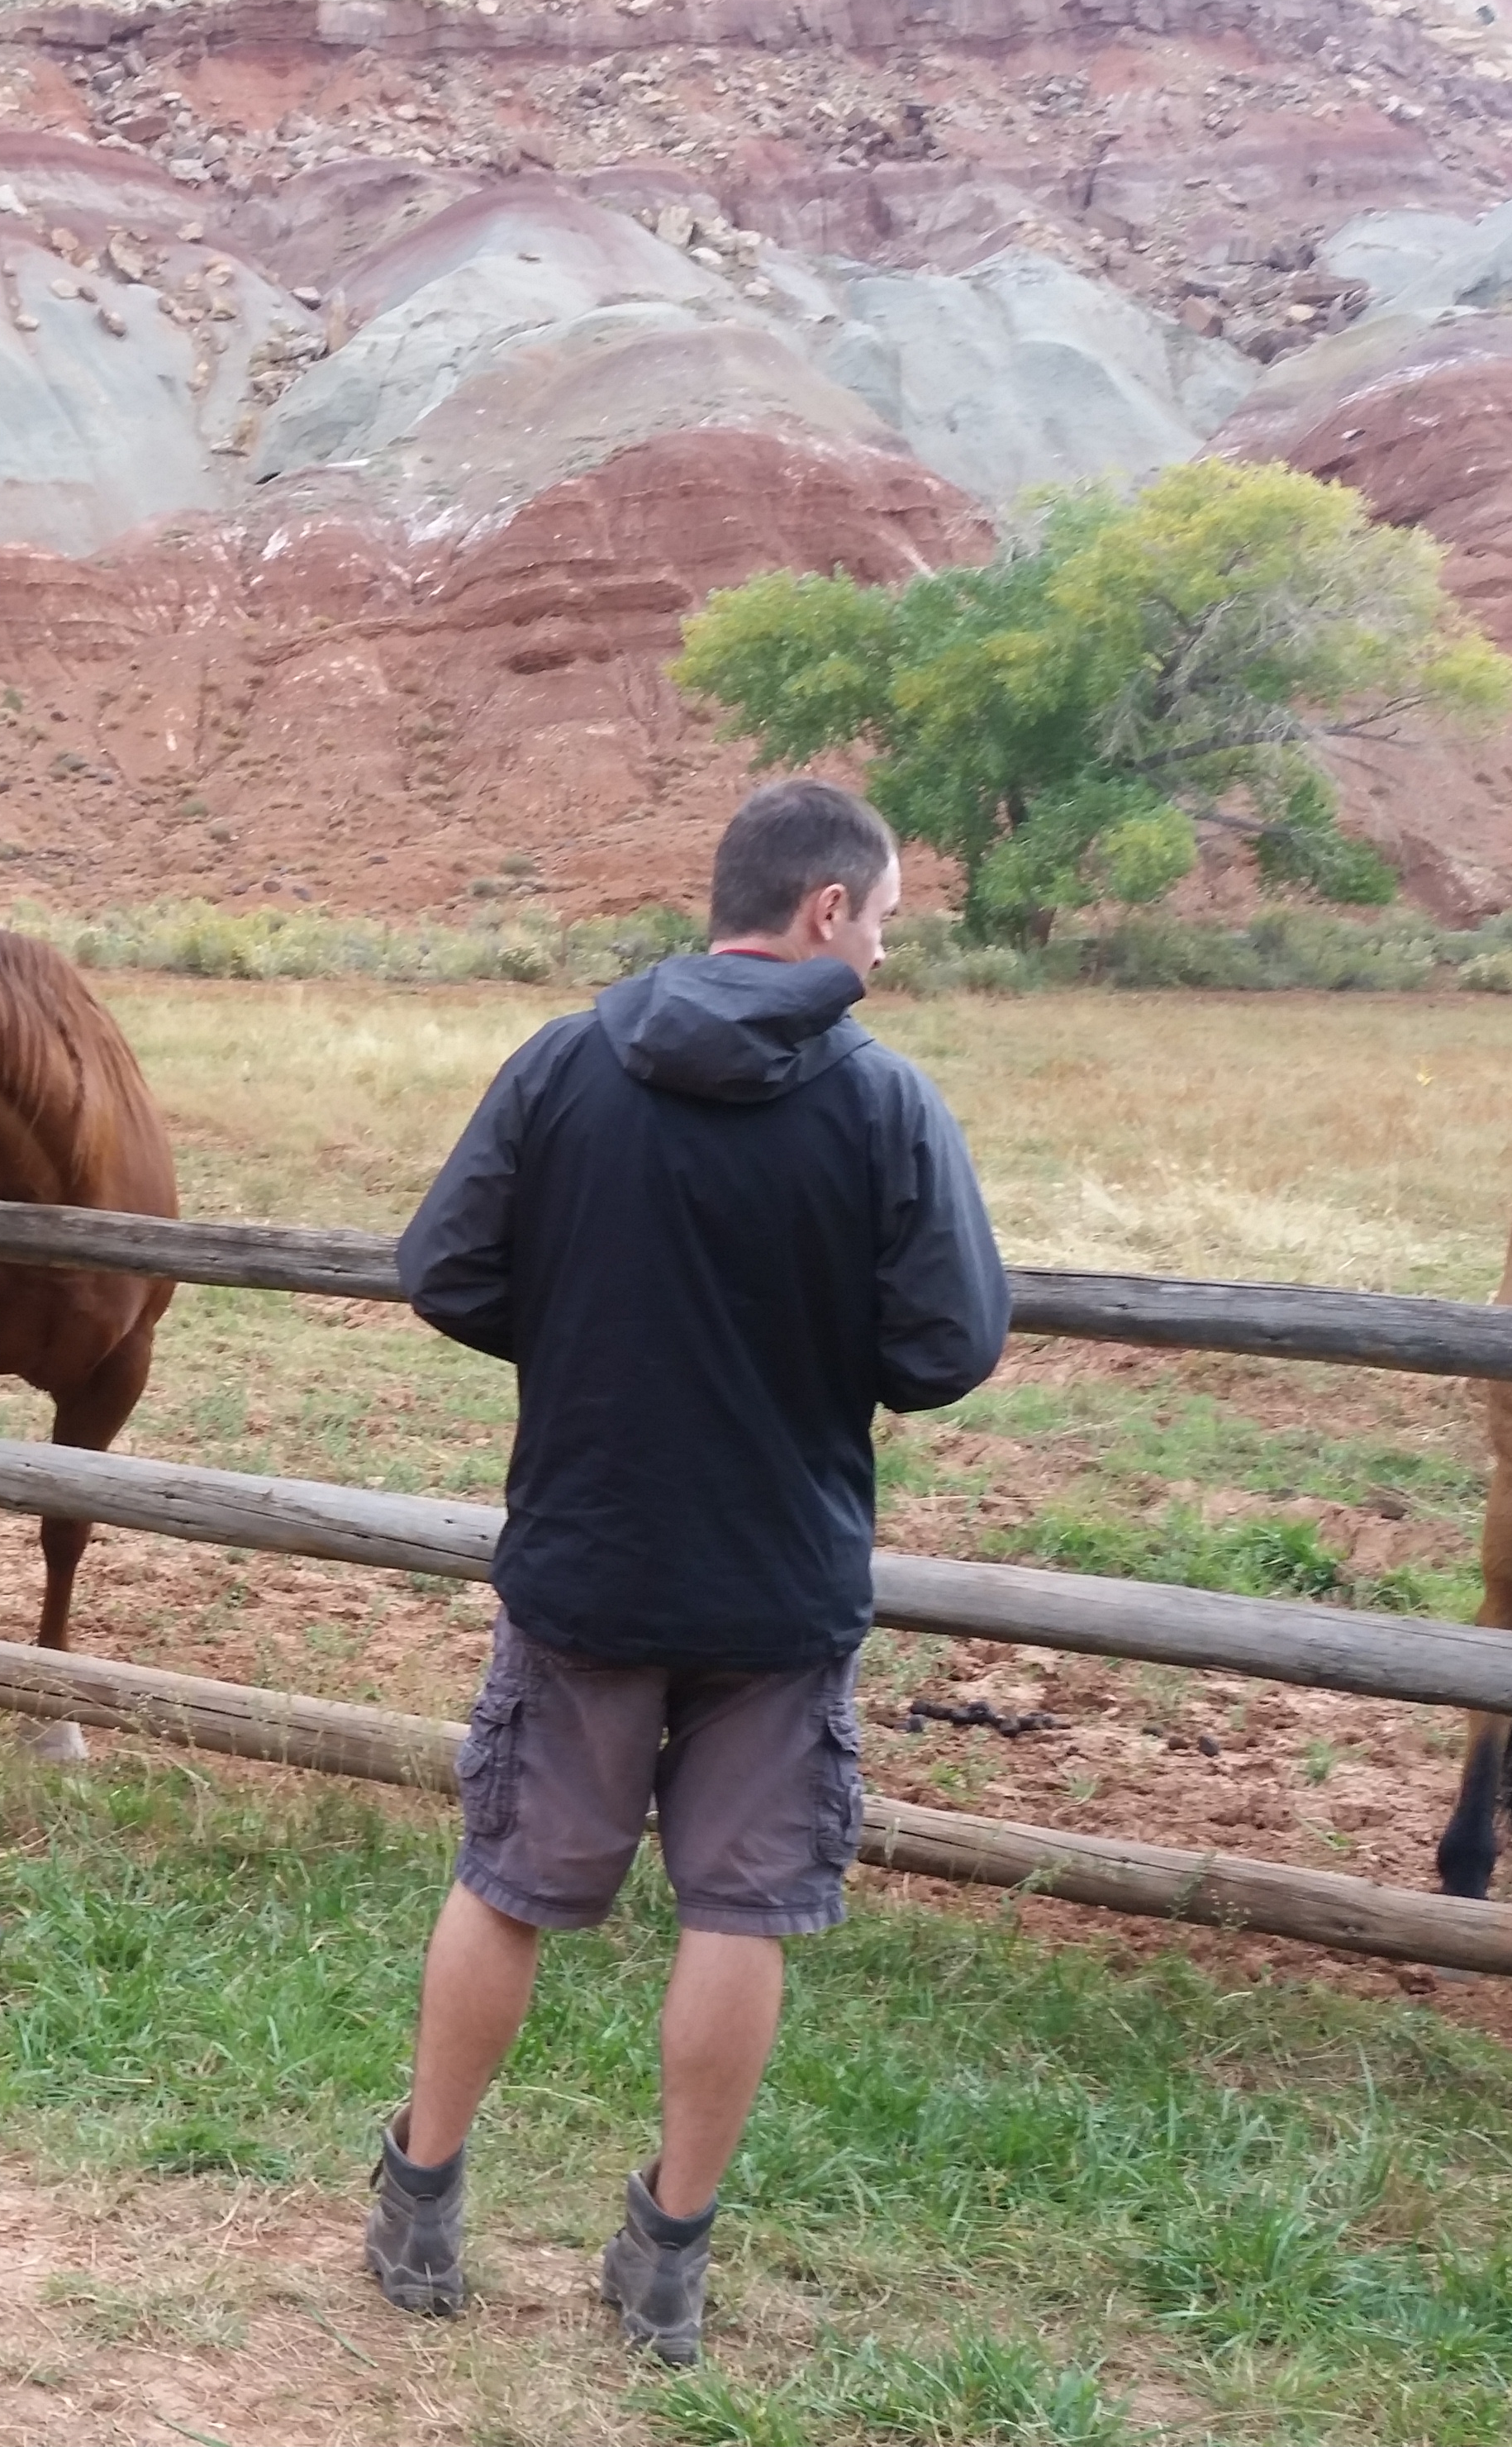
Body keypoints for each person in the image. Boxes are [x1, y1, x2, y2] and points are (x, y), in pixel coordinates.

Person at [366, 778, 1009, 2364]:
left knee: (508, 1880)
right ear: (821, 913)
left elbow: (442, 1265)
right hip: (781, 1584)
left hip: (585, 1558)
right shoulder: (882, 1101)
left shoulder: (568, 1062)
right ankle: (666, 2255)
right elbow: (947, 1344)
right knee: (740, 1906)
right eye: (884, 922)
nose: (881, 951)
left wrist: (590, 1330)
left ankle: (423, 2198)